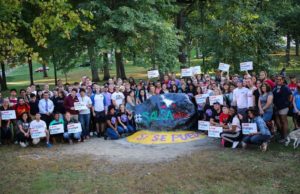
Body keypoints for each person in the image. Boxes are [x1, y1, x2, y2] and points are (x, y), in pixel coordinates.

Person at [273, 75, 292, 142]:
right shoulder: (275, 87)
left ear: (283, 80)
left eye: (280, 79)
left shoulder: (286, 88)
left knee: (284, 122)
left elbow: (290, 96)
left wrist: (288, 104)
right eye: (277, 79)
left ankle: (285, 137)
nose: (278, 80)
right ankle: (282, 135)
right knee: (278, 122)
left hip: (283, 107)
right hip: (276, 107)